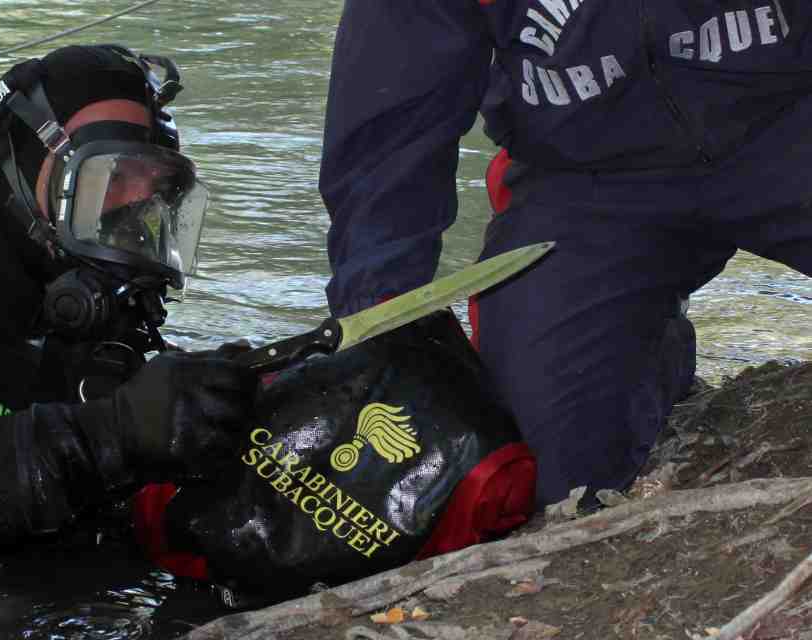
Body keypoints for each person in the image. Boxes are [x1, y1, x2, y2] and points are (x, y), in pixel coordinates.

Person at [318, 2, 812, 508]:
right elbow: (391, 131)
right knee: (537, 477)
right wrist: (378, 319)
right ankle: (649, 348)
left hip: (786, 128)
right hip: (587, 183)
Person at [0, 44, 257, 582]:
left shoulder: (94, 329)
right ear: (20, 167)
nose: (130, 212)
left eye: (155, 187)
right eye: (109, 177)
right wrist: (104, 438)